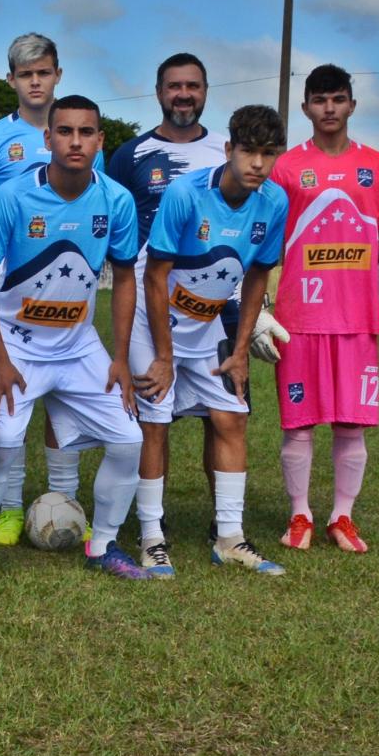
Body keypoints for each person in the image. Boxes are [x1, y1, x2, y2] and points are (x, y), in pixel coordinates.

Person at [0, 95, 150, 582]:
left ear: (99, 140)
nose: (75, 141)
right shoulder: (13, 197)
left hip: (78, 344)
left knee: (130, 439)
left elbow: (126, 277)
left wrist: (121, 359)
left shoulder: (116, 200)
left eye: (85, 132)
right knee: (1, 442)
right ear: (47, 139)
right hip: (16, 343)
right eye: (64, 131)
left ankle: (103, 545)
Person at [255, 64, 379, 554]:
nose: (328, 108)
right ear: (305, 108)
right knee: (297, 423)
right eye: (319, 100)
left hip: (358, 319)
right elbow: (268, 242)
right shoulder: (284, 168)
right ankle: (299, 514)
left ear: (351, 105)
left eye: (337, 99)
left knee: (351, 423)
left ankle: (342, 517)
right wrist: (260, 307)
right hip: (297, 319)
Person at [132, 104, 289, 576]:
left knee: (231, 418)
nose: (257, 164)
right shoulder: (185, 193)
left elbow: (259, 275)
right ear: (229, 149)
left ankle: (230, 538)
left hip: (209, 324)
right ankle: (152, 536)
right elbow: (155, 277)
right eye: (248, 152)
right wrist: (163, 357)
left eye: (267, 154)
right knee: (155, 420)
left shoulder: (275, 202)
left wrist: (240, 351)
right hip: (153, 318)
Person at [0, 32, 100, 546]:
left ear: (58, 74)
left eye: (44, 72)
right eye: (26, 74)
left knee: (63, 400)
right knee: (9, 397)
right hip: (5, 284)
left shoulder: (83, 132)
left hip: (67, 286)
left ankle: (64, 501)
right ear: (12, 81)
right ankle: (10, 509)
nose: (36, 81)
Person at [106, 53, 233, 565]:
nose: (184, 94)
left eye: (193, 86)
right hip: (148, 301)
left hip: (216, 305)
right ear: (158, 92)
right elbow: (115, 221)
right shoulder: (131, 154)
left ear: (205, 91)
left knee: (222, 415)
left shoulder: (225, 152)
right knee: (152, 418)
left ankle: (222, 523)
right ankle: (151, 529)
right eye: (174, 86)